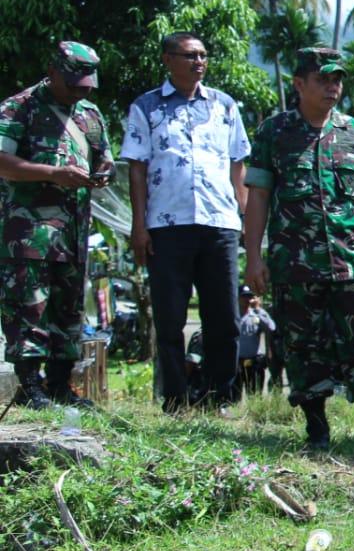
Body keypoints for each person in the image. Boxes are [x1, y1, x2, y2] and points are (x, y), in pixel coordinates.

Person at [243, 47, 354, 451]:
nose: (333, 87)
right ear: (299, 84)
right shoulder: (273, 133)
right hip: (295, 262)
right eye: (323, 79)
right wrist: (253, 256)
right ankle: (317, 428)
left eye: (337, 79)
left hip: (351, 259)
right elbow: (258, 195)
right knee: (302, 346)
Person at [120, 31, 250, 412]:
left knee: (224, 318)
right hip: (167, 224)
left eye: (203, 56)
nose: (199, 62)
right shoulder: (145, 107)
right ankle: (175, 398)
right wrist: (139, 225)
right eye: (190, 55)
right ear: (167, 59)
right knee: (170, 318)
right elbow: (137, 169)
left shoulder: (225, 105)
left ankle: (218, 396)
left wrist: (242, 219)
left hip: (219, 223)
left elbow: (237, 164)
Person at [0, 41, 113, 409]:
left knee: (69, 310)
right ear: (52, 73)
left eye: (86, 85)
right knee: (28, 307)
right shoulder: (19, 108)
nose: (80, 91)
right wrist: (53, 174)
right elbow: (3, 162)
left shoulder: (90, 114)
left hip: (74, 233)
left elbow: (104, 157)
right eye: (73, 84)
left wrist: (102, 173)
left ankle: (61, 385)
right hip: (28, 234)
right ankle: (30, 388)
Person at [236, 285, 276, 397]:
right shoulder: (233, 315)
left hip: (254, 361)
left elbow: (271, 327)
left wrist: (258, 309)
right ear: (237, 298)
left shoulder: (257, 314)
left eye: (249, 297)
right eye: (243, 297)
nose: (247, 300)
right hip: (236, 362)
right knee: (234, 396)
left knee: (254, 395)